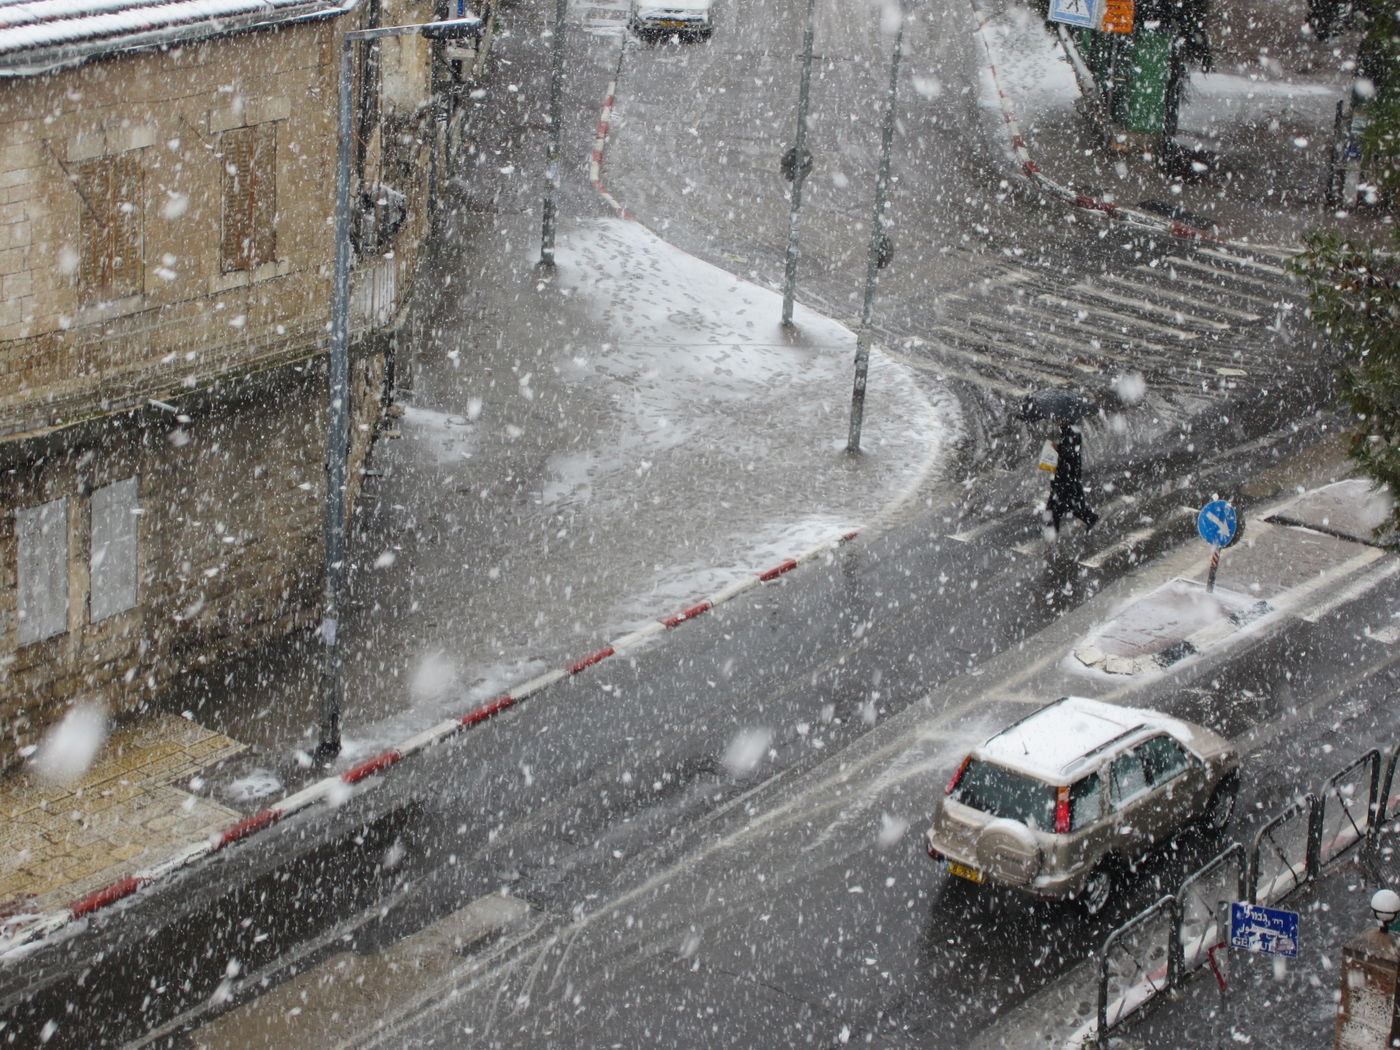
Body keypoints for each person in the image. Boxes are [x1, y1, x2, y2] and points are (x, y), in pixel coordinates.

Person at [1046, 422, 1098, 532]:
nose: (1057, 421)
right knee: (1065, 502)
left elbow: (1070, 451)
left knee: (1063, 503)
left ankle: (1053, 529)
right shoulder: (1066, 430)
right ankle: (1088, 517)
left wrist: (1058, 448)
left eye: (1059, 419)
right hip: (1065, 473)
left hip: (1068, 474)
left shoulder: (1072, 432)